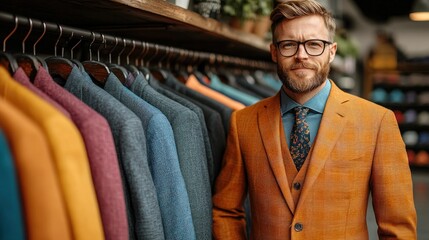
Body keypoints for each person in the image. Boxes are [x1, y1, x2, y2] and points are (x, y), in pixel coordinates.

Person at [212, 0, 417, 239]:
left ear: (331, 51)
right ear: (274, 52)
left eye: (314, 44)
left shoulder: (377, 122)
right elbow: (227, 210)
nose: (301, 55)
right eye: (289, 45)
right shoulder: (243, 122)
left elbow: (398, 228)